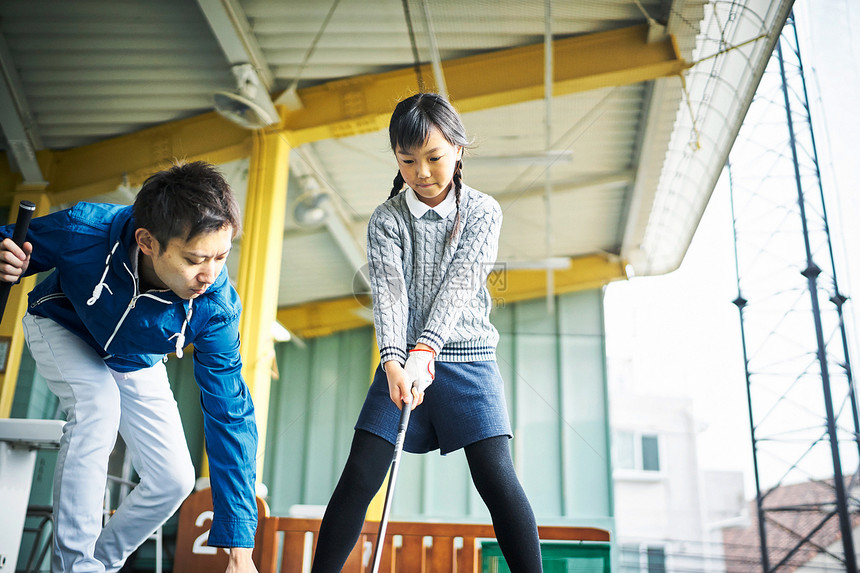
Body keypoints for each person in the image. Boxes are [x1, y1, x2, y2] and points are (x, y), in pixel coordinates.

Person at [310, 93, 543, 572]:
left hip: (469, 358)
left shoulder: (482, 211)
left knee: (496, 477)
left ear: (457, 149)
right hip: (401, 364)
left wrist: (424, 350)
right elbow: (390, 295)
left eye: (434, 157)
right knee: (359, 474)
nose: (422, 171)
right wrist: (395, 360)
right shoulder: (387, 219)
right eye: (408, 160)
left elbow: (460, 285)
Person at [0, 161, 258, 573]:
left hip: (135, 357)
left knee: (175, 479)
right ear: (148, 241)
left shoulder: (215, 308)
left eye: (222, 256)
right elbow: (16, 245)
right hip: (63, 325)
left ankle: (99, 563)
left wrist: (239, 552)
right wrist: (8, 260)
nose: (209, 274)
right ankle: (77, 565)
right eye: (195, 259)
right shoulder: (83, 230)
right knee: (98, 409)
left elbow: (230, 416)